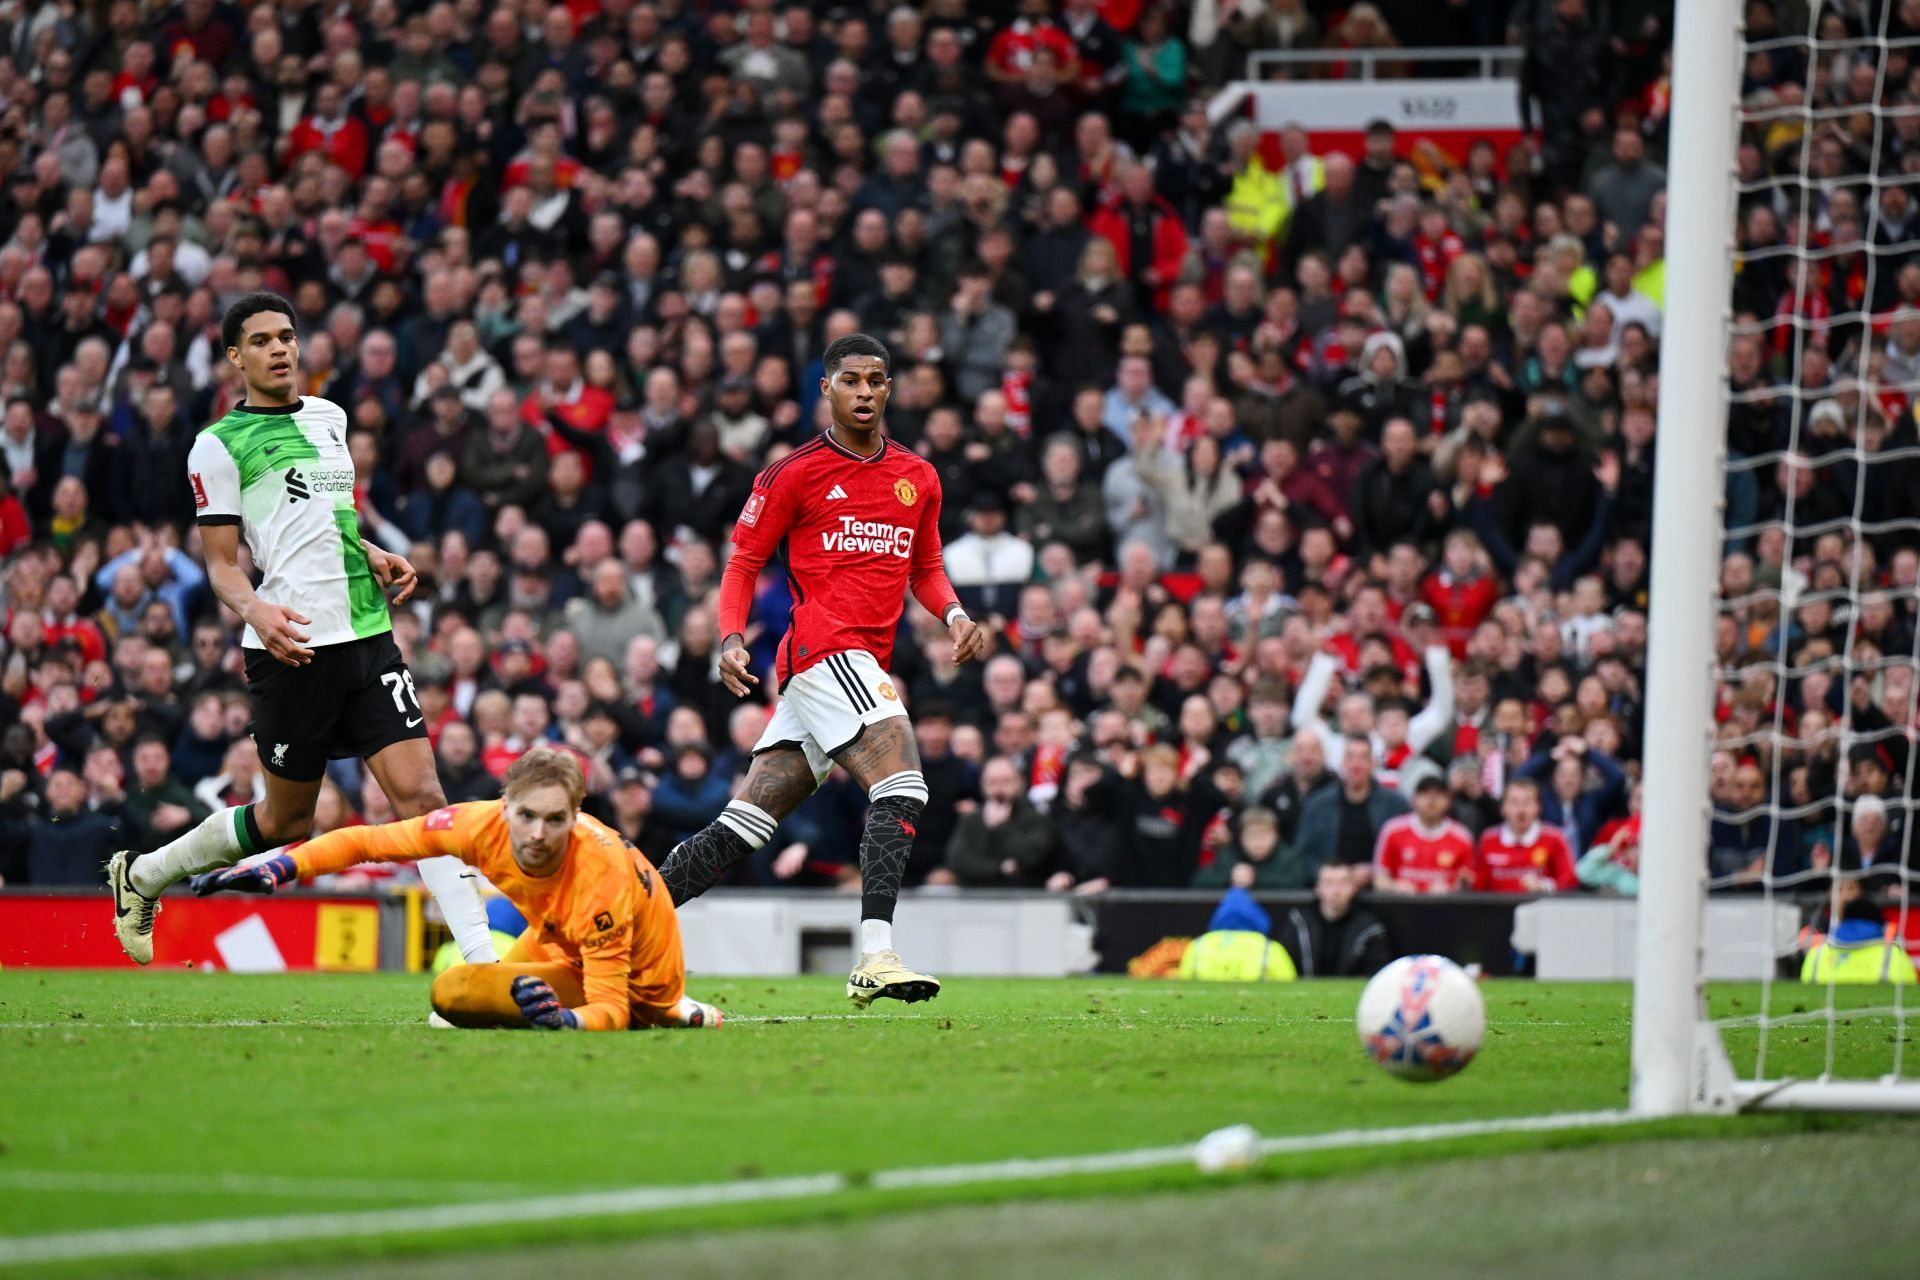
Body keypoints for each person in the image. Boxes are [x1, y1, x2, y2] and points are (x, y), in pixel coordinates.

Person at [106, 293, 494, 977]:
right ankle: (143, 876)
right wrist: (257, 613)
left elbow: (327, 515)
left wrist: (371, 550)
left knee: (426, 802)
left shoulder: (329, 417)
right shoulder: (216, 447)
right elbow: (223, 565)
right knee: (285, 822)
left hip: (368, 634)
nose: (280, 349)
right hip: (292, 647)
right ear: (235, 357)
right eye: (261, 341)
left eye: (287, 337)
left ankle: (484, 967)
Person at [657, 334, 987, 1007]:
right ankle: (875, 954)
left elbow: (924, 567)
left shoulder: (918, 477)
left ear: (889, 388)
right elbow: (743, 562)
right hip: (823, 649)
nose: (865, 391)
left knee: (743, 826)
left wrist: (954, 615)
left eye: (877, 380)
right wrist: (729, 638)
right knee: (903, 783)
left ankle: (621, 922)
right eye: (851, 380)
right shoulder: (793, 474)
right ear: (826, 390)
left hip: (856, 663)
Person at [196, 749, 721, 1030]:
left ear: (576, 816)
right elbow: (371, 842)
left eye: (555, 820)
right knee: (455, 1005)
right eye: (527, 817)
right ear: (504, 807)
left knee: (454, 994)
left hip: (641, 976)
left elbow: (608, 1007)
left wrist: (564, 1021)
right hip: (559, 938)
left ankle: (679, 1011)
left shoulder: (600, 876)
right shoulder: (475, 825)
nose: (538, 834)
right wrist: (282, 868)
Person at [1281, 863, 1394, 977]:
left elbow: (1377, 972)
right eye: (1329, 883)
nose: (1336, 891)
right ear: (1318, 888)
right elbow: (1284, 963)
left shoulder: (1370, 928)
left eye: (1343, 883)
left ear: (1353, 888)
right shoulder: (1299, 922)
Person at [1372, 775, 1478, 894]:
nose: (1431, 800)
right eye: (1425, 793)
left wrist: (1450, 890)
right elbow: (1379, 878)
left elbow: (1468, 882)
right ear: (1414, 799)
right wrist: (1395, 887)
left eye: (1438, 794)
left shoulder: (1462, 837)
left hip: (1445, 909)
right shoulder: (1392, 831)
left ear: (1448, 801)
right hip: (1401, 907)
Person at [1474, 776, 1578, 893]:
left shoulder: (1555, 838)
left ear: (1538, 807)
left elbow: (1570, 879)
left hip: (1539, 908)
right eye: (1514, 802)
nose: (1521, 810)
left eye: (1527, 803)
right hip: (1497, 909)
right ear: (1503, 808)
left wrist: (1544, 886)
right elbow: (1478, 886)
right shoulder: (1489, 839)